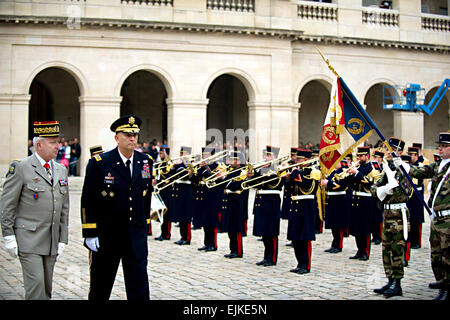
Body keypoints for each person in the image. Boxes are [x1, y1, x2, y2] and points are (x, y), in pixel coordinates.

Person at [80, 115, 153, 300]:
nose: (132, 138)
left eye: (135, 134)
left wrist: (143, 225)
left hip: (134, 235)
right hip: (108, 235)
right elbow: (88, 199)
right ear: (116, 137)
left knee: (139, 287)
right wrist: (90, 232)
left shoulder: (145, 161)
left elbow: (146, 195)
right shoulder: (100, 163)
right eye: (127, 134)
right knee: (100, 286)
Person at [1, 121, 69, 300]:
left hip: (52, 239)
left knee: (46, 290)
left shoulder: (61, 170)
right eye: (53, 142)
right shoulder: (22, 168)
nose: (58, 146)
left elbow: (64, 208)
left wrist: (62, 238)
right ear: (39, 145)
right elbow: (8, 204)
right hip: (28, 239)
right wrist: (8, 235)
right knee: (36, 289)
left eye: (58, 141)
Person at [394, 132, 450, 300]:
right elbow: (419, 172)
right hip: (436, 218)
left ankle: (448, 289)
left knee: (448, 256)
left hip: (448, 219)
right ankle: (441, 286)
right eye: (439, 146)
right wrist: (403, 166)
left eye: (444, 146)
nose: (440, 149)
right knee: (436, 255)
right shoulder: (437, 166)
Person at [371, 138, 412, 298]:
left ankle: (397, 283)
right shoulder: (387, 170)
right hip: (387, 214)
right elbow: (374, 189)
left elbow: (404, 192)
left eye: (391, 149)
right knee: (386, 248)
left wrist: (388, 189)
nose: (386, 151)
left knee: (397, 248)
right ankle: (390, 279)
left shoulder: (404, 170)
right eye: (385, 148)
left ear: (399, 152)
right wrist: (383, 190)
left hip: (399, 215)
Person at [287, 148, 321, 274]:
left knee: (304, 237)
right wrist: (288, 178)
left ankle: (306, 265)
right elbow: (290, 188)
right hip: (295, 204)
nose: (297, 161)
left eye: (300, 159)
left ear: (306, 160)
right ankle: (299, 263)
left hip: (306, 206)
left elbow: (307, 186)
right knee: (295, 236)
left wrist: (295, 174)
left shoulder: (313, 171)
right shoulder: (299, 171)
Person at [251, 146, 283, 266]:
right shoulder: (262, 169)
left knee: (271, 232)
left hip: (271, 202)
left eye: (268, 156)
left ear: (274, 157)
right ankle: (266, 256)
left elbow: (276, 184)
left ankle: (272, 258)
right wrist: (252, 174)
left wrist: (264, 172)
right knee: (264, 232)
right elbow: (254, 184)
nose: (265, 158)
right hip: (261, 201)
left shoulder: (278, 169)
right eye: (265, 155)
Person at [346, 146, 378, 261]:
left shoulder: (372, 169)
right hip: (356, 199)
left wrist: (357, 173)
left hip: (366, 200)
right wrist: (349, 174)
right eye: (358, 156)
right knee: (357, 227)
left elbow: (368, 182)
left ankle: (366, 252)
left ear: (367, 156)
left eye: (361, 156)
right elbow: (350, 183)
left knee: (365, 227)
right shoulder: (357, 167)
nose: (358, 158)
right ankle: (359, 250)